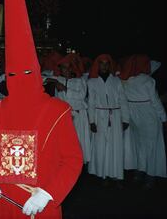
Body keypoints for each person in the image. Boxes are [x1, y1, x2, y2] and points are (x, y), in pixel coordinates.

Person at [0, 0, 83, 218]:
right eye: (13, 74)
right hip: (0, 203)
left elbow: (72, 160)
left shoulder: (58, 111)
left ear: (36, 74)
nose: (19, 79)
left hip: (39, 203)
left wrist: (49, 193)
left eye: (26, 73)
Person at [120, 54, 166, 188]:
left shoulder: (125, 80)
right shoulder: (148, 80)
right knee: (151, 146)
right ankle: (150, 175)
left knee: (139, 145)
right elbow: (156, 102)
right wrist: (164, 118)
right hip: (148, 115)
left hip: (134, 116)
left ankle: (139, 172)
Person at [87, 54, 130, 185]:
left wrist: (125, 118)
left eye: (106, 64)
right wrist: (92, 121)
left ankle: (116, 175)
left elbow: (123, 100)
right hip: (100, 116)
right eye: (102, 63)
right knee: (101, 146)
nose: (104, 66)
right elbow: (91, 102)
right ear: (98, 65)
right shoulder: (92, 82)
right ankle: (103, 174)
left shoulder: (116, 81)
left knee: (115, 146)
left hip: (116, 116)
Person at [49, 53, 91, 164]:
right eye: (64, 68)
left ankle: (79, 165)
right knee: (65, 142)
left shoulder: (80, 81)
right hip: (64, 117)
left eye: (68, 67)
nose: (66, 70)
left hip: (78, 116)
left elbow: (81, 96)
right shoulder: (59, 80)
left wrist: (65, 88)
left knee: (78, 141)